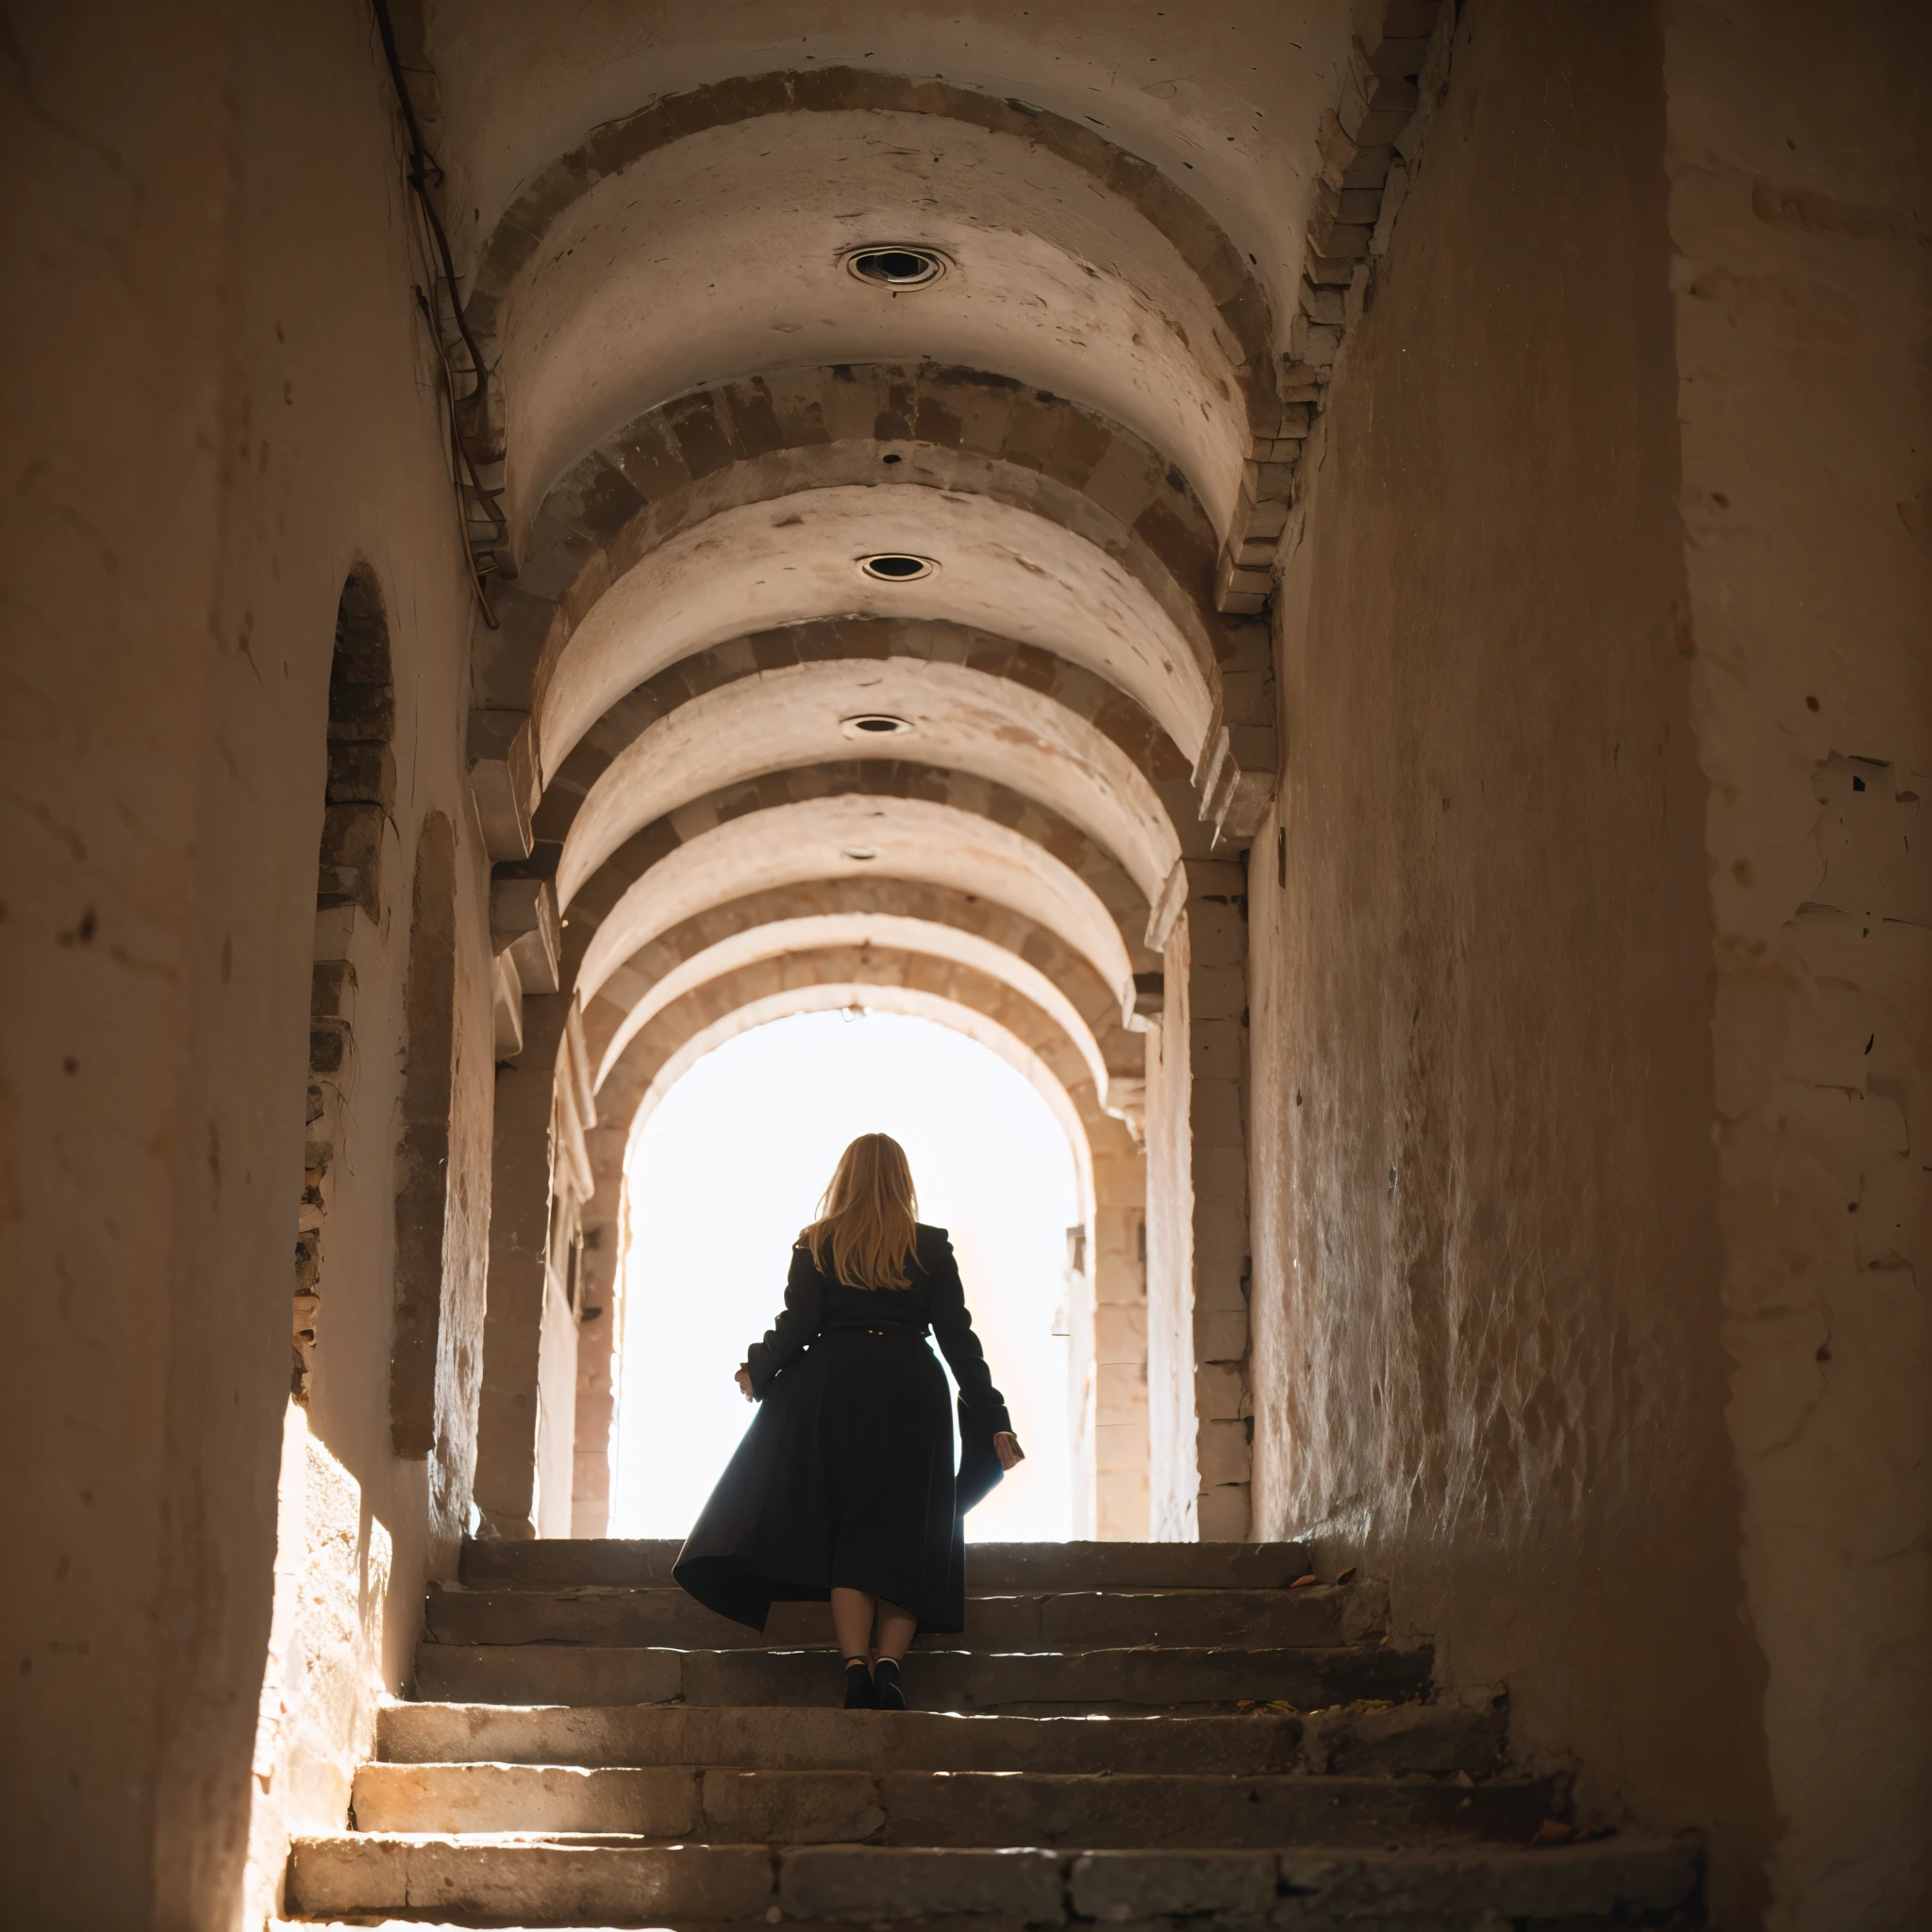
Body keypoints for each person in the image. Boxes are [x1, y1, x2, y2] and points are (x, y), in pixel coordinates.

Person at [673, 1133, 1024, 1709]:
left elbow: (799, 1322)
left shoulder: (818, 1243)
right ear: (903, 1181)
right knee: (909, 1529)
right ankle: (890, 1663)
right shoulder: (931, 1247)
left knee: (848, 1533)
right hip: (912, 1385)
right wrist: (994, 1418)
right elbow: (960, 1340)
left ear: (846, 1178)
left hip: (834, 1386)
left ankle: (855, 1664)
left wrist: (757, 1370)